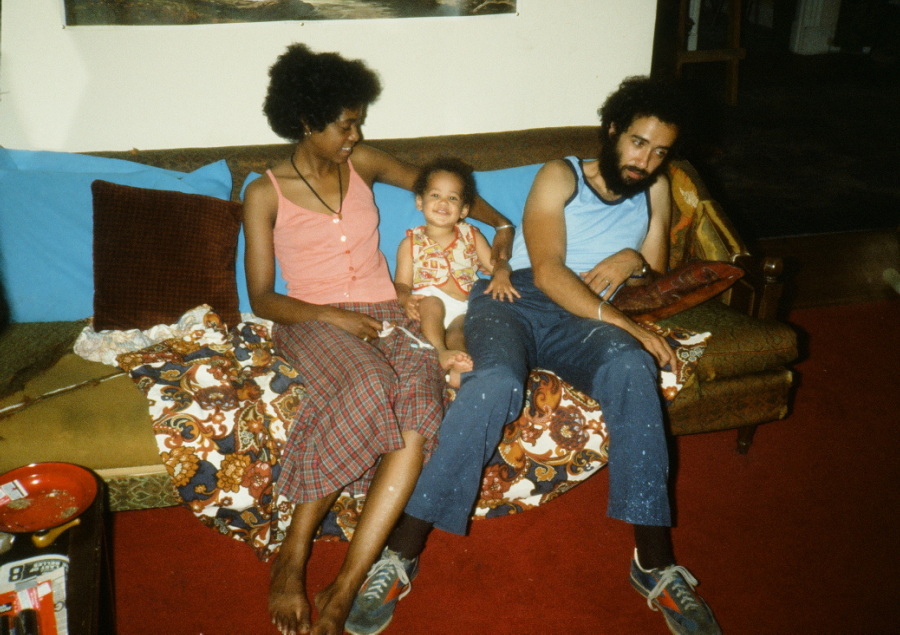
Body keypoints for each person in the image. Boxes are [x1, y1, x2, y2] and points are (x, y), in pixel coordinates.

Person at [345, 76, 721, 635]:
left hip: (583, 319)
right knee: (495, 383)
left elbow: (655, 265)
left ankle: (654, 563)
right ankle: (401, 551)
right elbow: (546, 270)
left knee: (631, 366)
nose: (645, 161)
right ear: (613, 130)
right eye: (638, 142)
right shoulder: (560, 174)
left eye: (660, 151)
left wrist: (631, 258)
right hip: (514, 301)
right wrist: (625, 323)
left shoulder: (656, 187)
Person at [242, 44, 513, 635]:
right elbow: (262, 297)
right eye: (345, 125)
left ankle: (345, 587)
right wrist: (333, 317)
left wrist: (497, 223)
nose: (356, 135)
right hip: (311, 318)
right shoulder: (264, 192)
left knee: (419, 404)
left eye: (358, 123)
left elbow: (440, 187)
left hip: (388, 311)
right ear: (307, 121)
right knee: (369, 381)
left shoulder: (361, 162)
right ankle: (292, 556)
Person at [393, 157, 519, 387]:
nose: (443, 202)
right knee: (431, 303)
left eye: (452, 198)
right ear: (420, 202)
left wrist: (502, 273)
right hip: (429, 302)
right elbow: (401, 283)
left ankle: (458, 365)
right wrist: (404, 298)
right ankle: (440, 351)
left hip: (465, 303)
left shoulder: (471, 235)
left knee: (459, 329)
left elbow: (495, 264)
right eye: (435, 195)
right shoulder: (410, 243)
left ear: (464, 209)